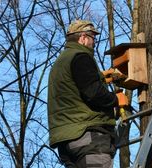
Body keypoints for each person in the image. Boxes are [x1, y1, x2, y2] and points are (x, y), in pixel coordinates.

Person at [47, 20, 128, 168]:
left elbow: (76, 87)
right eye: (93, 38)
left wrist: (101, 77)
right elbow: (94, 93)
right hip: (88, 136)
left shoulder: (61, 61)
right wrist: (116, 99)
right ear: (83, 38)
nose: (94, 42)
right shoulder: (81, 57)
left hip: (67, 142)